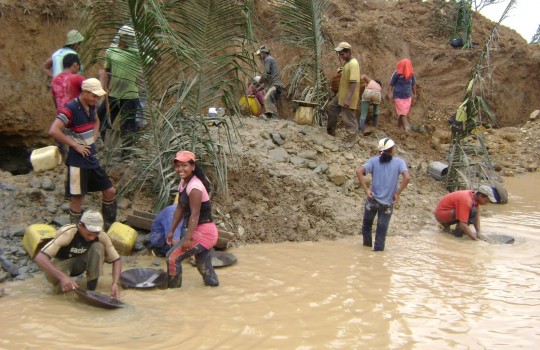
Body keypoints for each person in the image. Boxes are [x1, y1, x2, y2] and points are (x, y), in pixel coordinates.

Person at [48, 78, 117, 229]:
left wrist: (93, 137)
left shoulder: (91, 106)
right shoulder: (71, 108)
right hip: (77, 161)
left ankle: (108, 227)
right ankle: (75, 232)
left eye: (98, 96)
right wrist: (75, 145)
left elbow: (97, 121)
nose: (97, 99)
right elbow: (53, 130)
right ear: (85, 92)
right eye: (94, 95)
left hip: (90, 157)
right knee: (77, 198)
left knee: (110, 190)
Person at [34, 210, 122, 299]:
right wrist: (63, 277)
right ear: (80, 226)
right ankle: (60, 290)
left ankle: (91, 290)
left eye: (96, 234)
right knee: (62, 294)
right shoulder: (68, 233)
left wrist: (115, 283)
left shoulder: (101, 236)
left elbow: (117, 259)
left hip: (79, 263)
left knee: (98, 247)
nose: (92, 238)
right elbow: (39, 257)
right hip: (61, 264)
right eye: (89, 234)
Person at [165, 150, 219, 288]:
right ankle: (214, 291)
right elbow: (179, 209)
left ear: (193, 167)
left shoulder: (195, 187)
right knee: (203, 266)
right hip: (200, 230)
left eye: (184, 165)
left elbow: (194, 215)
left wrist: (187, 239)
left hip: (204, 232)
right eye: (177, 166)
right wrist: (171, 231)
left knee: (172, 257)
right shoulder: (183, 183)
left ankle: (173, 294)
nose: (180, 169)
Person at [356, 138, 410, 251]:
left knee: (367, 226)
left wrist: (366, 189)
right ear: (392, 150)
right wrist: (398, 193)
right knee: (381, 231)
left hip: (372, 200)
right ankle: (377, 255)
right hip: (387, 204)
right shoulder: (399, 162)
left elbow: (359, 171)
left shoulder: (373, 161)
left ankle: (366, 249)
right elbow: (407, 177)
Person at [97, 25, 142, 147]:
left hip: (130, 95)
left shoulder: (136, 53)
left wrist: (140, 77)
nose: (130, 40)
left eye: (131, 38)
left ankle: (126, 152)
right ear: (121, 37)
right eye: (127, 37)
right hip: (114, 94)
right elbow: (107, 70)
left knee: (128, 124)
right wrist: (105, 88)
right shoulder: (111, 51)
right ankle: (105, 145)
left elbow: (153, 62)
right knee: (101, 116)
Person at [434, 185, 500, 240]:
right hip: (441, 214)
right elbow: (463, 224)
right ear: (480, 195)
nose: (486, 204)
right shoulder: (467, 200)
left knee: (473, 211)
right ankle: (456, 234)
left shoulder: (475, 197)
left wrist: (478, 233)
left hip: (447, 212)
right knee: (470, 213)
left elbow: (476, 217)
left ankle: (447, 226)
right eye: (486, 201)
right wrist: (475, 239)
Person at [326, 42, 361, 148]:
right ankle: (330, 132)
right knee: (331, 108)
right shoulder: (347, 63)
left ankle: (351, 140)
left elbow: (353, 82)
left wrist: (348, 99)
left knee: (348, 118)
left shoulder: (353, 64)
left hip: (348, 97)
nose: (341, 55)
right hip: (341, 95)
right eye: (339, 53)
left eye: (342, 53)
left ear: (349, 52)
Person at [255, 45, 284, 119]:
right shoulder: (270, 60)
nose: (259, 57)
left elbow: (264, 75)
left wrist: (257, 85)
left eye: (259, 55)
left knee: (266, 100)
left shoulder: (268, 59)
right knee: (270, 103)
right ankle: (272, 119)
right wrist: (257, 90)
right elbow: (266, 82)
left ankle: (274, 120)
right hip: (276, 86)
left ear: (264, 53)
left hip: (275, 86)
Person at [389, 58, 416, 132]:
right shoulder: (396, 73)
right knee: (402, 113)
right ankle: (406, 128)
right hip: (398, 96)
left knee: (403, 113)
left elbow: (413, 84)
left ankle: (399, 128)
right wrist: (390, 93)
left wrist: (414, 94)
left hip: (407, 96)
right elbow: (391, 84)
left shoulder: (411, 74)